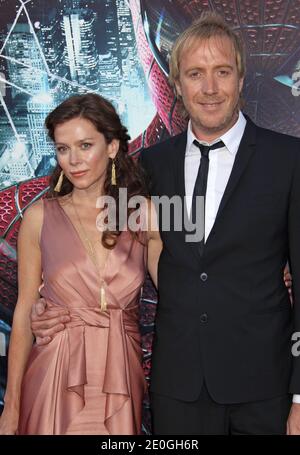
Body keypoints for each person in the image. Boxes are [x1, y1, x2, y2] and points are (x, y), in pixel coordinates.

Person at [28, 12, 298, 435]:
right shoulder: (149, 167)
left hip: (266, 391)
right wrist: (49, 308)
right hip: (178, 392)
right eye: (195, 74)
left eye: (222, 72)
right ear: (176, 84)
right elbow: (103, 258)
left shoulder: (288, 160)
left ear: (241, 78)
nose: (209, 88)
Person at [0, 93, 162, 435]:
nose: (73, 160)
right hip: (55, 370)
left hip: (120, 371)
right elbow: (24, 310)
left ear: (113, 146)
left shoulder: (142, 214)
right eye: (63, 149)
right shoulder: (39, 217)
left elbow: (183, 286)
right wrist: (11, 405)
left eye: (85, 145)